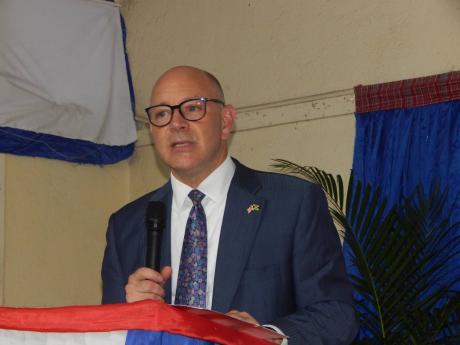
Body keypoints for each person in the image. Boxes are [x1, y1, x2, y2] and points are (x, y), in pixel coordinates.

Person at [101, 66, 359, 344]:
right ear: (152, 131)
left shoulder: (292, 203)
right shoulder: (126, 224)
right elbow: (104, 333)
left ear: (225, 122)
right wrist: (128, 314)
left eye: (192, 108)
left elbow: (337, 316)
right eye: (162, 114)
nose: (176, 124)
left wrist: (266, 337)